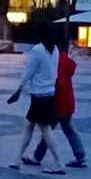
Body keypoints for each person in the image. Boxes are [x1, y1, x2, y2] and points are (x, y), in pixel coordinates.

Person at [8, 26, 69, 175]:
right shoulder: (54, 49)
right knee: (29, 125)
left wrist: (19, 89)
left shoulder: (38, 50)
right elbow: (54, 73)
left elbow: (29, 71)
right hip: (48, 94)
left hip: (39, 95)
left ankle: (60, 163)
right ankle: (16, 159)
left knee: (45, 129)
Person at [33, 31, 85, 168]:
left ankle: (36, 157)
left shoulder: (55, 61)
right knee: (69, 128)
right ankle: (80, 155)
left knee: (47, 129)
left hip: (58, 102)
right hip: (68, 101)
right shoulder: (66, 61)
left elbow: (57, 83)